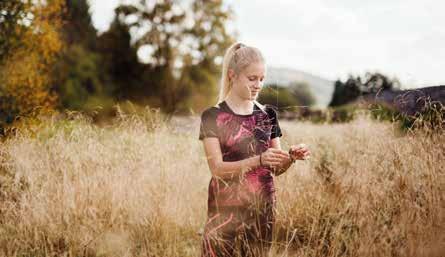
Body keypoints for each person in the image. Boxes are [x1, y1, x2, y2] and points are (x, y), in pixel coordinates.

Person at [198, 42, 310, 257]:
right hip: (225, 213)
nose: (258, 85)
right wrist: (258, 160)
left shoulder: (268, 115)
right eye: (252, 78)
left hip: (262, 210)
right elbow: (217, 169)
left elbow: (276, 168)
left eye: (262, 79)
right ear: (233, 75)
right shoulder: (213, 116)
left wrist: (291, 157)